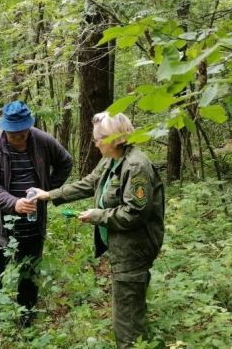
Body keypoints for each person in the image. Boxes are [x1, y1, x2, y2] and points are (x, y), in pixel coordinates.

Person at [32, 112, 164, 348]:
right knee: (130, 304)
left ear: (115, 138)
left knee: (126, 317)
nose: (94, 143)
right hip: (120, 244)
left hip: (134, 247)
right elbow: (90, 183)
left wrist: (98, 216)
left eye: (98, 138)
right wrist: (50, 195)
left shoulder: (136, 166)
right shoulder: (111, 159)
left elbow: (134, 213)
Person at [0, 100, 73, 324]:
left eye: (23, 134)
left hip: (34, 223)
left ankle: (26, 318)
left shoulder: (41, 140)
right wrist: (14, 203)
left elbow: (65, 162)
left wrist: (48, 191)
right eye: (14, 136)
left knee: (29, 275)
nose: (20, 140)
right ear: (5, 129)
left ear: (29, 127)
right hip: (0, 225)